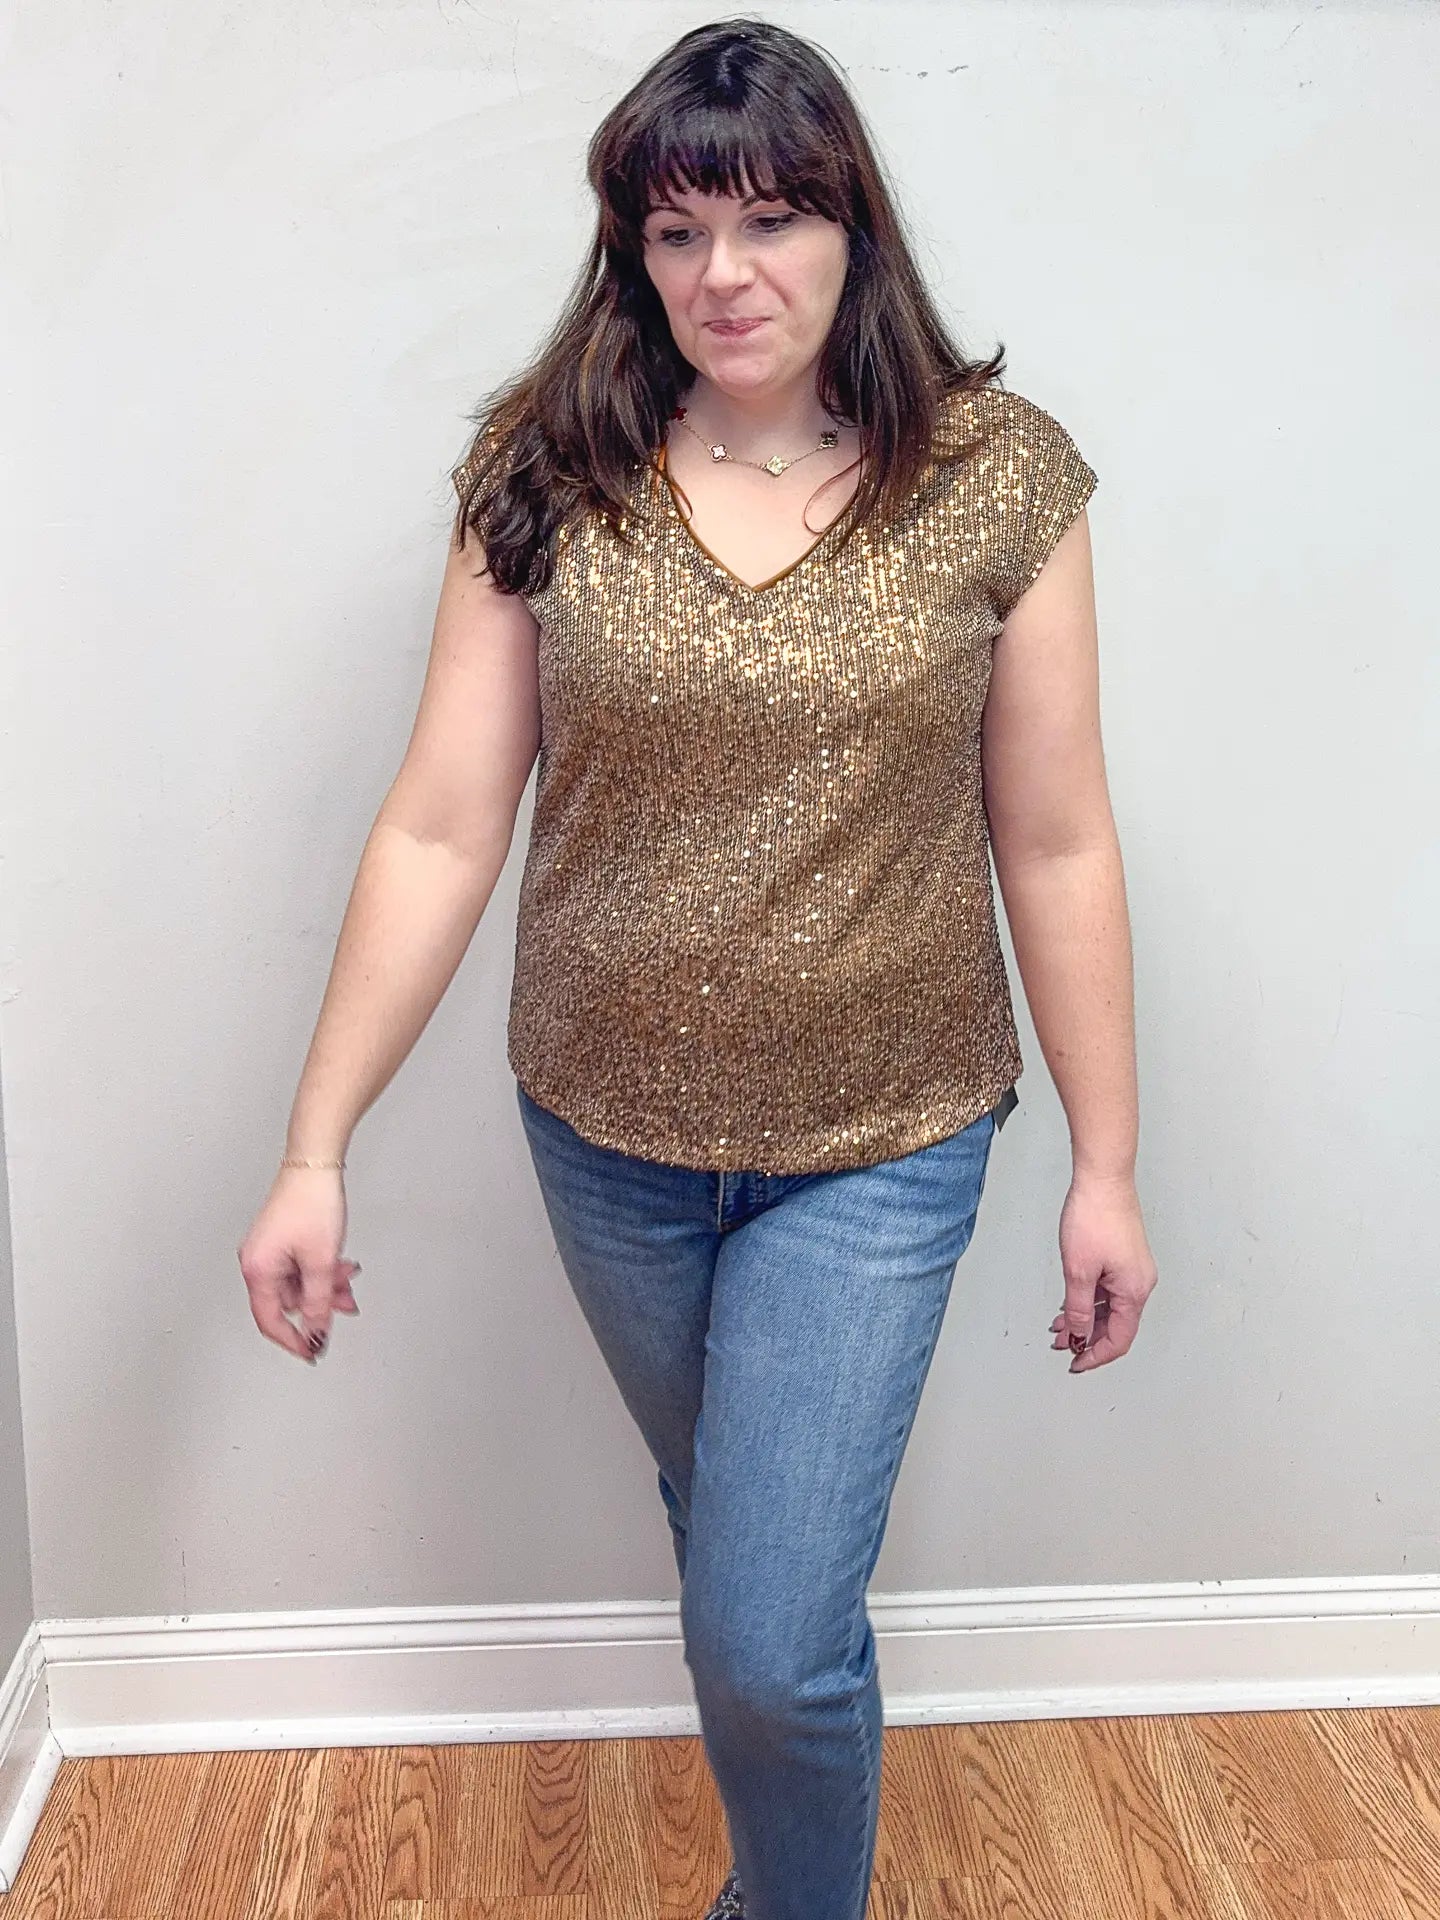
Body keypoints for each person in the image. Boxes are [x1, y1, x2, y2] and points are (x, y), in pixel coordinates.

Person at [237, 16, 1158, 1920]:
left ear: (852, 227)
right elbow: (442, 823)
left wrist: (1107, 1165)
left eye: (769, 220)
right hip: (606, 1136)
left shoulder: (996, 480)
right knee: (740, 1558)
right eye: (675, 233)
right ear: (632, 251)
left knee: (766, 1635)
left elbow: (1058, 838)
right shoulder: (550, 471)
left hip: (885, 1137)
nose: (723, 274)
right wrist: (315, 1147)